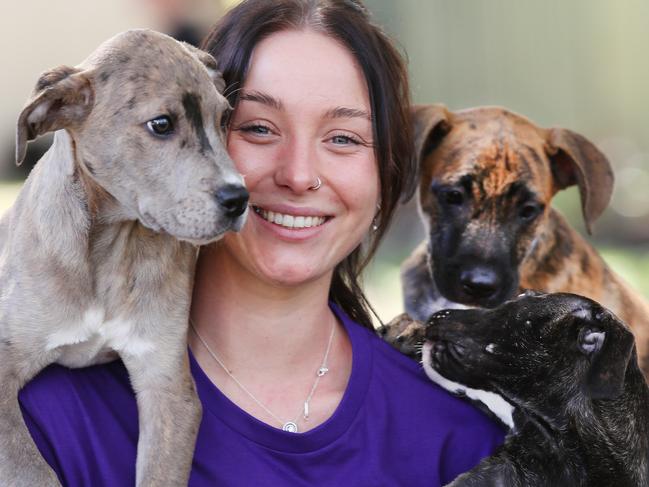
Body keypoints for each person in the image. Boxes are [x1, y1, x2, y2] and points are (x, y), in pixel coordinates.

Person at [19, 0, 505, 485]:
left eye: (343, 138)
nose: (298, 175)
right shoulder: (46, 419)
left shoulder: (460, 440)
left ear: (387, 175)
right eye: (257, 128)